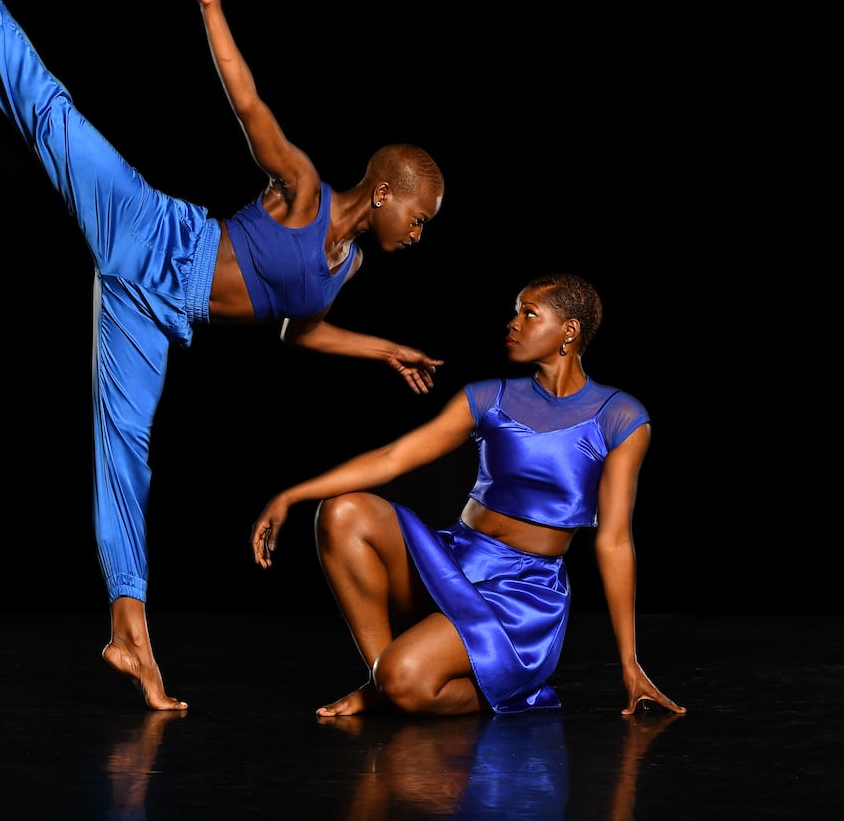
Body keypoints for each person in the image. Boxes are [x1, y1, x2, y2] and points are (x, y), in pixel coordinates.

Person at [0, 0, 446, 712]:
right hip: (153, 233)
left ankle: (130, 632)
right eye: (420, 216)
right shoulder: (303, 190)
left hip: (152, 312)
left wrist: (387, 349)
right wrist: (213, 6)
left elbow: (300, 329)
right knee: (48, 109)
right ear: (390, 190)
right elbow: (248, 103)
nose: (420, 232)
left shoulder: (346, 266)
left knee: (124, 455)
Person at [251, 272, 684, 717]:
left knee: (407, 682)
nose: (512, 323)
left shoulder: (620, 416)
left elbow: (614, 541)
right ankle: (382, 681)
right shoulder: (488, 396)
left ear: (568, 331)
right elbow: (394, 456)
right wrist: (291, 495)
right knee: (341, 512)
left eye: (529, 314)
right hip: (454, 560)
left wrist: (629, 664)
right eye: (515, 312)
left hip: (522, 595)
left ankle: (411, 684)